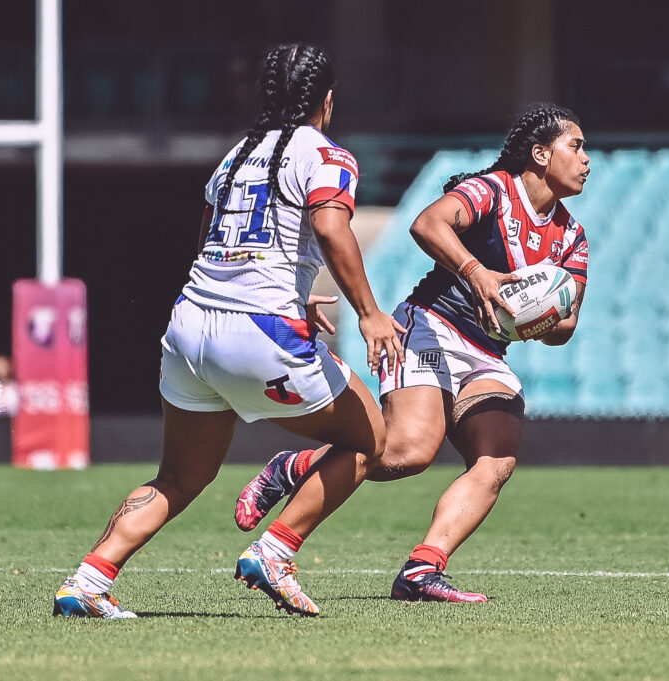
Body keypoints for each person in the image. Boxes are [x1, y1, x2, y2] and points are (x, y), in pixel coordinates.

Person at [53, 43, 403, 619]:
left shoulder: (234, 156)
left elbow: (209, 244)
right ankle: (276, 550)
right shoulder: (329, 155)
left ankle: (87, 580)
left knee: (181, 475)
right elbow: (332, 228)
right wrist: (366, 311)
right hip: (259, 331)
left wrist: (283, 295)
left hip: (190, 325)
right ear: (328, 101)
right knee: (370, 438)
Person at [235, 104, 590, 602]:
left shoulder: (571, 238)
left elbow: (566, 325)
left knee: (497, 460)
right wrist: (476, 272)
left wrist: (535, 319)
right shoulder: (492, 190)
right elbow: (426, 224)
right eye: (575, 146)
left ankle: (423, 570)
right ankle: (293, 466)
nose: (585, 159)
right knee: (408, 452)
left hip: (488, 351)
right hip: (431, 326)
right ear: (539, 153)